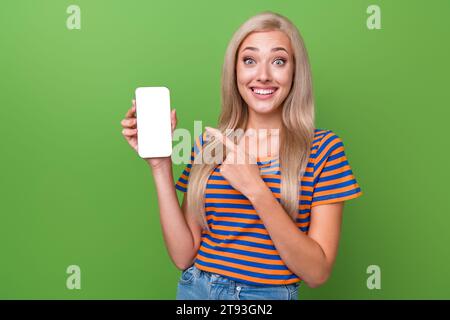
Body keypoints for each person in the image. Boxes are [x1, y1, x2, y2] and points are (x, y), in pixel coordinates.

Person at [121, 11, 362, 300]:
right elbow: (183, 256)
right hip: (196, 291)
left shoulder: (324, 149)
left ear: (295, 72)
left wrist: (255, 188)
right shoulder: (212, 145)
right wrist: (160, 166)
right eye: (249, 60)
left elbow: (317, 272)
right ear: (234, 71)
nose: (262, 75)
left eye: (278, 61)